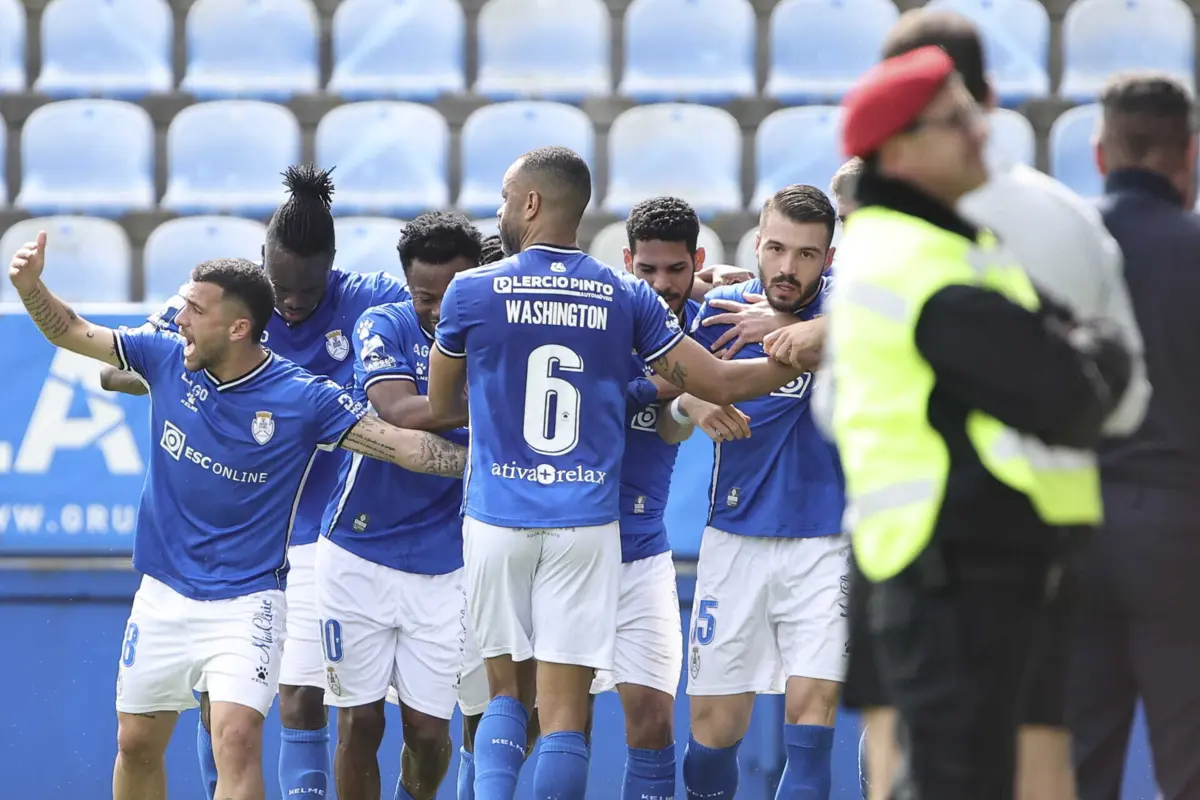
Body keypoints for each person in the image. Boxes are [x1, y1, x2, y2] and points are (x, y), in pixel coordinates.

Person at [8, 237, 465, 800]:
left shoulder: (303, 398)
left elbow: (404, 446)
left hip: (248, 601)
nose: (180, 319)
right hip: (164, 593)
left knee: (237, 737)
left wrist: (489, 464)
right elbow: (70, 331)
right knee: (134, 744)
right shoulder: (165, 356)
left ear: (238, 328)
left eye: (196, 311)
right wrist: (31, 288)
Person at [426, 145, 805, 800]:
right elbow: (714, 379)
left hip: (509, 522)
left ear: (531, 204)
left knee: (516, 706)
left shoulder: (472, 291)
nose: (500, 210)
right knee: (564, 719)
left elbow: (439, 405)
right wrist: (811, 348)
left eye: (505, 199)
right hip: (584, 524)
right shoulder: (620, 298)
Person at [842, 14, 1151, 799]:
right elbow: (1078, 390)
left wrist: (1078, 358)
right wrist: (1087, 353)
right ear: (900, 148)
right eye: (956, 122)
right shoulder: (928, 267)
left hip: (952, 558)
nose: (980, 134)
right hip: (954, 565)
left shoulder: (934, 247)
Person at [100, 164, 409, 800]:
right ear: (262, 263)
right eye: (281, 288)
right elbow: (117, 373)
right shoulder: (220, 303)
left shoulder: (374, 298)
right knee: (218, 707)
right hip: (228, 538)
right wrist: (197, 374)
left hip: (322, 532)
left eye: (308, 291)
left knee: (299, 697)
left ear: (333, 267)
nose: (292, 304)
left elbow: (438, 306)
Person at [661, 185, 845, 800]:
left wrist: (797, 328)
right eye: (775, 249)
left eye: (806, 255)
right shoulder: (719, 312)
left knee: (811, 728)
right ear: (756, 245)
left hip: (828, 541)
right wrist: (691, 401)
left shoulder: (853, 315)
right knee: (711, 742)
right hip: (734, 541)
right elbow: (656, 391)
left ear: (829, 258)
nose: (787, 268)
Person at [317, 212, 481, 800]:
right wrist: (499, 398)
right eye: (424, 296)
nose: (436, 311)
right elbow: (397, 411)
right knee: (360, 721)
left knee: (429, 732)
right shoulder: (381, 323)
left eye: (450, 295)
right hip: (358, 550)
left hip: (447, 561)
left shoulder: (499, 333)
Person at [1067, 73, 1200, 800]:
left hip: (1070, 528)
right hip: (1183, 535)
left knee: (1079, 765)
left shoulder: (1058, 250)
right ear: (1190, 154)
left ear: (1099, 155)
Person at [583, 195, 708, 800]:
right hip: (565, 544)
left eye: (676, 270)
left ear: (696, 262)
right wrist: (687, 386)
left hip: (644, 551)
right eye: (648, 270)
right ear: (626, 262)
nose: (662, 285)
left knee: (654, 723)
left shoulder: (712, 321)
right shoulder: (596, 321)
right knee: (544, 721)